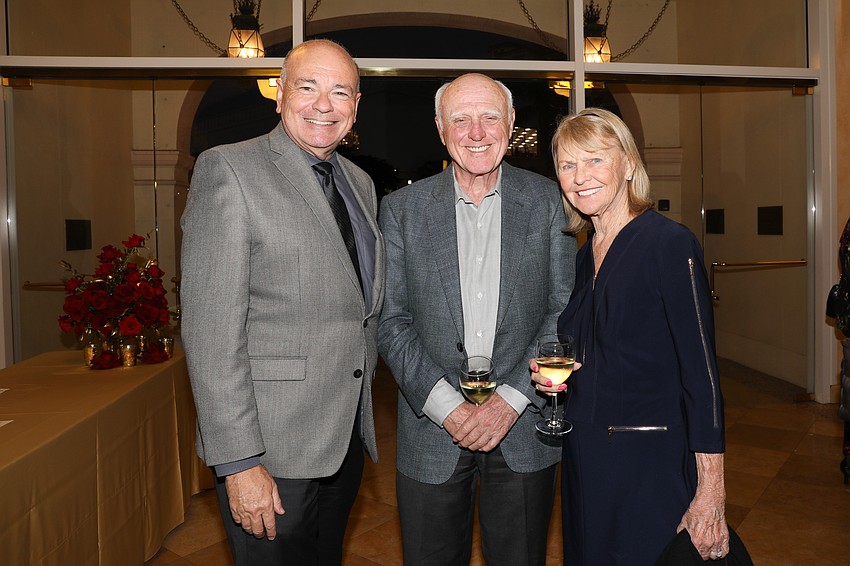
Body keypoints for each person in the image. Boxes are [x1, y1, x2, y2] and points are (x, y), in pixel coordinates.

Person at [180, 39, 385, 566]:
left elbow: (356, 309)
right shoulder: (229, 170)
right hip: (270, 451)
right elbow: (210, 332)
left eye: (341, 91)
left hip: (341, 442)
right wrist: (239, 462)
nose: (325, 104)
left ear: (356, 107)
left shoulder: (359, 184)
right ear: (279, 95)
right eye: (308, 86)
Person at [378, 73, 576, 565]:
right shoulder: (401, 209)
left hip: (524, 423)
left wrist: (510, 400)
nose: (477, 132)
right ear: (441, 131)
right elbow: (391, 320)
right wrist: (450, 408)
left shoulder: (552, 202)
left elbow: (565, 309)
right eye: (460, 120)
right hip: (431, 428)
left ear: (510, 125)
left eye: (490, 118)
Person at [531, 107, 728, 565]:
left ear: (629, 165)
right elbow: (598, 350)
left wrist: (711, 489)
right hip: (586, 455)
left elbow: (703, 377)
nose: (580, 176)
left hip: (648, 462)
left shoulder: (669, 244)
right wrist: (558, 376)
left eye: (595, 159)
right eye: (567, 165)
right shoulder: (584, 255)